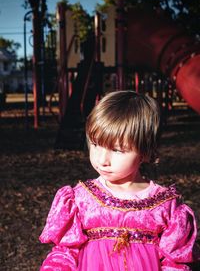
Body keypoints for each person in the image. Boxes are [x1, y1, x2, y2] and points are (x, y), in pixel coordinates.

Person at [39, 90, 200, 270]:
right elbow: (65, 253)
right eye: (95, 144)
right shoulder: (80, 199)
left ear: (145, 151)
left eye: (116, 150)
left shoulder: (166, 207)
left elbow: (175, 262)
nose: (102, 160)